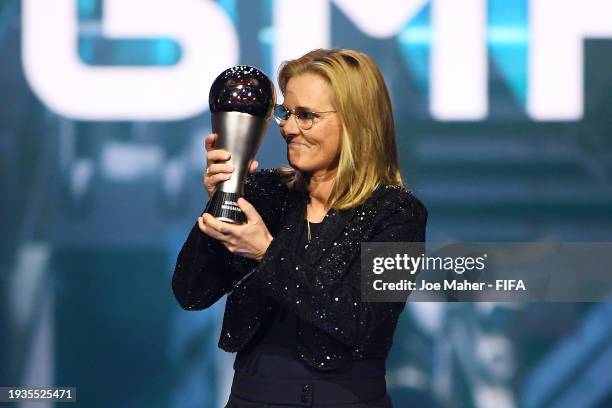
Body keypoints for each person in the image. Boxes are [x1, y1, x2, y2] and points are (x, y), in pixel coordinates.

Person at [172, 48, 428, 407]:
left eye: (307, 116)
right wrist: (222, 199)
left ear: (356, 121)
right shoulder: (267, 193)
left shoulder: (397, 214)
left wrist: (266, 252)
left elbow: (358, 319)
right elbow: (191, 292)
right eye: (286, 113)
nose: (289, 128)